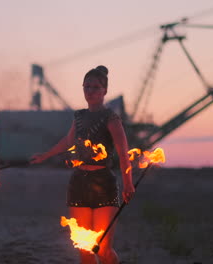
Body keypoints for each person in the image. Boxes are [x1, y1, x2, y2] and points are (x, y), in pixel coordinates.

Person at [30, 66, 135, 264]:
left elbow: (123, 154)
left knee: (103, 249)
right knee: (84, 249)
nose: (90, 91)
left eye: (95, 87)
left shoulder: (111, 119)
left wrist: (128, 183)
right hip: (79, 183)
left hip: (104, 184)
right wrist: (44, 156)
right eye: (86, 87)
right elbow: (69, 141)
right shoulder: (79, 116)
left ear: (104, 90)